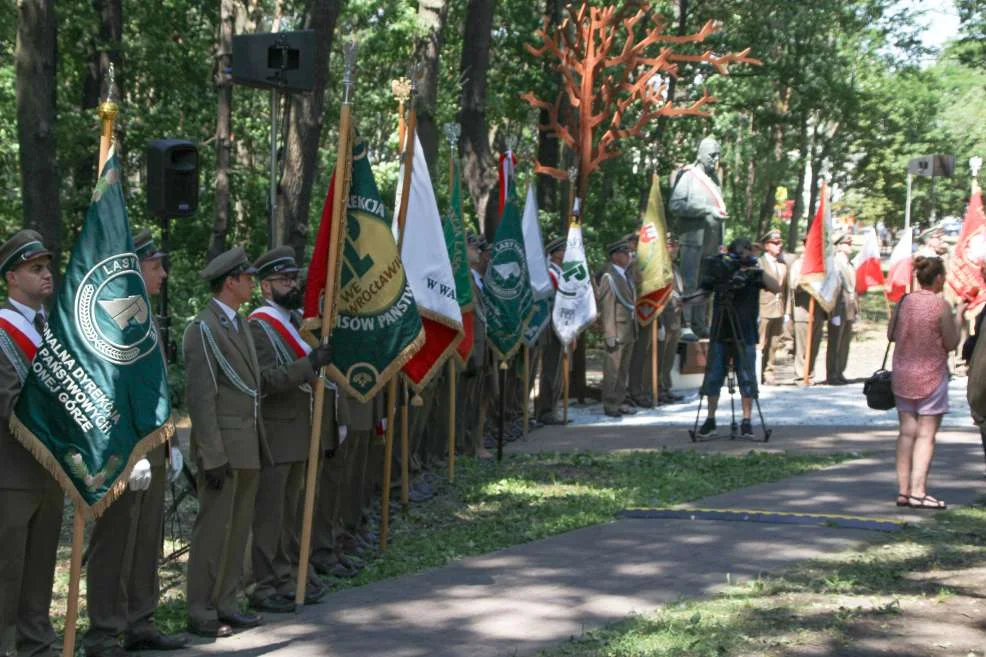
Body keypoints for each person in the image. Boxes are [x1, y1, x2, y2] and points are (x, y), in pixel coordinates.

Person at [182, 246, 332, 638]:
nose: (252, 282)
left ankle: (227, 602)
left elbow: (251, 388)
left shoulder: (236, 324)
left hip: (249, 443)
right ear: (230, 282)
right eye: (247, 277)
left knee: (236, 532)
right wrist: (211, 454)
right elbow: (201, 398)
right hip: (224, 449)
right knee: (213, 532)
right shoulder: (203, 328)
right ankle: (201, 611)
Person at [84, 230, 187, 657]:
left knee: (147, 539)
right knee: (113, 542)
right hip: (121, 453)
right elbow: (104, 391)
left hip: (153, 449)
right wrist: (128, 453)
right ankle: (104, 632)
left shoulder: (144, 317)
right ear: (133, 268)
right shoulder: (111, 321)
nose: (162, 273)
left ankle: (140, 621)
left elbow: (156, 392)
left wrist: (171, 444)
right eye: (155, 265)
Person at [246, 246, 343, 612]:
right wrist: (309, 364)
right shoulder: (259, 326)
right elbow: (266, 380)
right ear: (265, 287)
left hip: (301, 430)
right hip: (277, 432)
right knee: (270, 516)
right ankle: (264, 585)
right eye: (283, 280)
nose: (291, 284)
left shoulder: (296, 320)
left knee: (290, 514)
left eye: (292, 278)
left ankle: (287, 575)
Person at [0, 230, 62, 657]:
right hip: (11, 471)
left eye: (47, 267)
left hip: (50, 470)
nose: (46, 275)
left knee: (41, 570)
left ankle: (37, 645)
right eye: (35, 268)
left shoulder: (50, 329)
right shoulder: (3, 331)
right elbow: (9, 403)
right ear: (10, 277)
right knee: (8, 572)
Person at [889, 256, 963, 509]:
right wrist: (960, 317)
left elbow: (891, 334)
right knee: (926, 435)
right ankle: (919, 491)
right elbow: (951, 343)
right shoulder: (940, 306)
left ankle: (903, 490)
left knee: (906, 433)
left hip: (902, 374)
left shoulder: (904, 302)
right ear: (939, 278)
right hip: (931, 373)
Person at [696, 238, 780, 437]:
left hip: (745, 333)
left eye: (748, 251)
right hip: (720, 331)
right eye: (743, 251)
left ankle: (747, 420)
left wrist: (755, 268)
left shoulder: (753, 272)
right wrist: (685, 302)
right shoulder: (721, 270)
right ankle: (710, 420)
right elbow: (703, 293)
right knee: (713, 377)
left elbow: (776, 287)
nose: (746, 254)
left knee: (747, 378)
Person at [668, 136, 728, 341]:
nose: (715, 159)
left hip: (711, 241)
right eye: (712, 155)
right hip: (693, 239)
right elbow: (675, 205)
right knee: (689, 281)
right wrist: (706, 210)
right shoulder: (688, 177)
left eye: (718, 155)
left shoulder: (715, 180)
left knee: (706, 283)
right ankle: (685, 324)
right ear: (701, 154)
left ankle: (700, 324)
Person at [598, 239, 638, 417]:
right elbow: (607, 307)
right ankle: (610, 403)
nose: (629, 255)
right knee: (613, 370)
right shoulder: (609, 277)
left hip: (629, 329)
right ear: (615, 256)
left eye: (629, 252)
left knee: (623, 370)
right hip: (617, 330)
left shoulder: (626, 275)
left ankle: (620, 400)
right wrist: (609, 333)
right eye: (625, 253)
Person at [536, 236, 566, 423]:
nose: (566, 254)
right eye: (562, 250)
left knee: (557, 372)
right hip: (552, 328)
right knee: (550, 370)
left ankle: (553, 408)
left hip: (561, 328)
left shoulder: (562, 273)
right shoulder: (550, 274)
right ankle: (545, 411)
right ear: (554, 254)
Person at [787, 240, 825, 384]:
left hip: (818, 310)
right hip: (803, 309)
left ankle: (810, 374)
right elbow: (793, 284)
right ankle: (800, 375)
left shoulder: (822, 264)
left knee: (814, 344)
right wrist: (808, 279)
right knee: (802, 346)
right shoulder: (799, 264)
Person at [826, 230, 858, 385]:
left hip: (849, 307)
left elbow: (853, 289)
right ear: (838, 246)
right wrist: (834, 312)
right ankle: (832, 374)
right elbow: (834, 289)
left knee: (844, 342)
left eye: (850, 243)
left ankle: (840, 371)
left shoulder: (849, 264)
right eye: (846, 243)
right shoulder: (835, 263)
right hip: (838, 308)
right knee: (835, 343)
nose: (849, 245)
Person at [757, 230, 788, 386]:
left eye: (780, 243)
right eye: (775, 243)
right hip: (763, 309)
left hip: (779, 308)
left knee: (774, 344)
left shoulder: (782, 265)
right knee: (761, 343)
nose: (779, 246)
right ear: (766, 245)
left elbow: (788, 291)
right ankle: (756, 372)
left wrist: (788, 310)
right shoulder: (759, 263)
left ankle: (769, 372)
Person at [657, 233, 685, 404]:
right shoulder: (660, 268)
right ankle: (658, 388)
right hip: (664, 317)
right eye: (670, 245)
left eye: (676, 246)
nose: (674, 249)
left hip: (675, 317)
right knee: (660, 355)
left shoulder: (674, 268)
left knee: (669, 356)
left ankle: (666, 387)